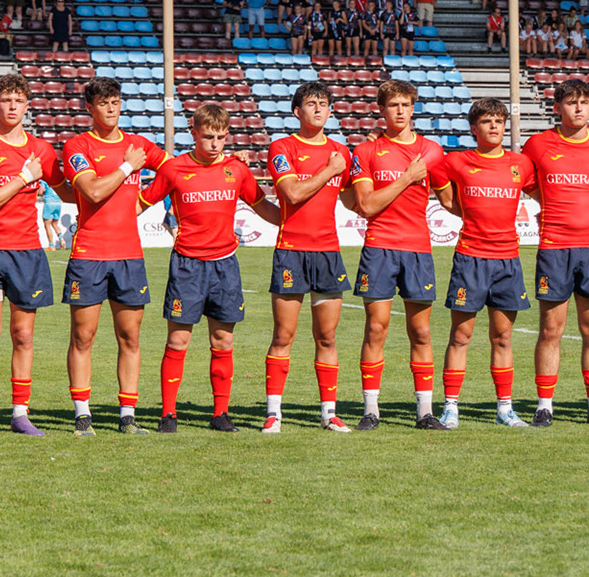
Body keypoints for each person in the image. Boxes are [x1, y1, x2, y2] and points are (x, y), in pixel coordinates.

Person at [135, 104, 279, 432]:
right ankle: (168, 414)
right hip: (187, 266)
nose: (214, 144)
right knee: (178, 341)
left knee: (223, 341)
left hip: (225, 266)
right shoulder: (174, 169)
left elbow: (262, 207)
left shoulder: (237, 170)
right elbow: (140, 205)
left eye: (220, 137)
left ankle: (220, 414)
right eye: (208, 137)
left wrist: (294, 222)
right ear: (194, 133)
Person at [61, 80, 168, 436]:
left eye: (116, 102)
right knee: (83, 336)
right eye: (104, 103)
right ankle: (82, 415)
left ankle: (127, 416)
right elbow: (91, 191)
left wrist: (145, 200)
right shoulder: (78, 146)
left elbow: (175, 171)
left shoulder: (138, 145)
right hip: (89, 254)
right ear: (89, 108)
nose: (111, 108)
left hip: (129, 256)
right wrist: (126, 168)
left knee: (130, 338)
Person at [0, 74, 64, 436]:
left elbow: (67, 190)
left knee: (23, 335)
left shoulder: (41, 149)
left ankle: (21, 413)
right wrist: (24, 177)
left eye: (18, 100)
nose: (12, 106)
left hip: (28, 254)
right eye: (5, 100)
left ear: (27, 105)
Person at [349, 78, 449, 429]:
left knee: (421, 332)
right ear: (382, 109)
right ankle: (370, 411)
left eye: (406, 104)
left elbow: (451, 200)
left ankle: (425, 412)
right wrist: (407, 177)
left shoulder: (432, 151)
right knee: (376, 328)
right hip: (379, 247)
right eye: (393, 105)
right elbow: (366, 204)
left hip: (418, 250)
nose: (400, 111)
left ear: (413, 107)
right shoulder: (366, 152)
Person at [524, 78, 589, 425]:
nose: (578, 108)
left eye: (584, 102)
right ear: (557, 107)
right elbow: (523, 179)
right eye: (571, 102)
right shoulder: (537, 145)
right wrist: (545, 200)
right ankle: (544, 406)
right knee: (551, 329)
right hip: (554, 248)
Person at [433, 98, 535, 429]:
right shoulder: (456, 162)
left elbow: (541, 194)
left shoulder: (522, 163)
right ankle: (450, 407)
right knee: (461, 336)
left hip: (507, 260)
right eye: (487, 121)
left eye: (499, 121)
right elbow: (446, 196)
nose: (494, 127)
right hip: (470, 259)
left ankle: (505, 409)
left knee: (503, 338)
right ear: (474, 128)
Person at [263, 82, 354, 432]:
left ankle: (329, 412)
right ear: (297, 111)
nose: (318, 108)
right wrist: (330, 170)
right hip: (291, 252)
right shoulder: (282, 147)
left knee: (327, 338)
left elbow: (352, 200)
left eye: (324, 103)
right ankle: (274, 413)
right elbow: (293, 193)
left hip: (328, 252)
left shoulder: (341, 152)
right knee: (283, 336)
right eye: (311, 103)